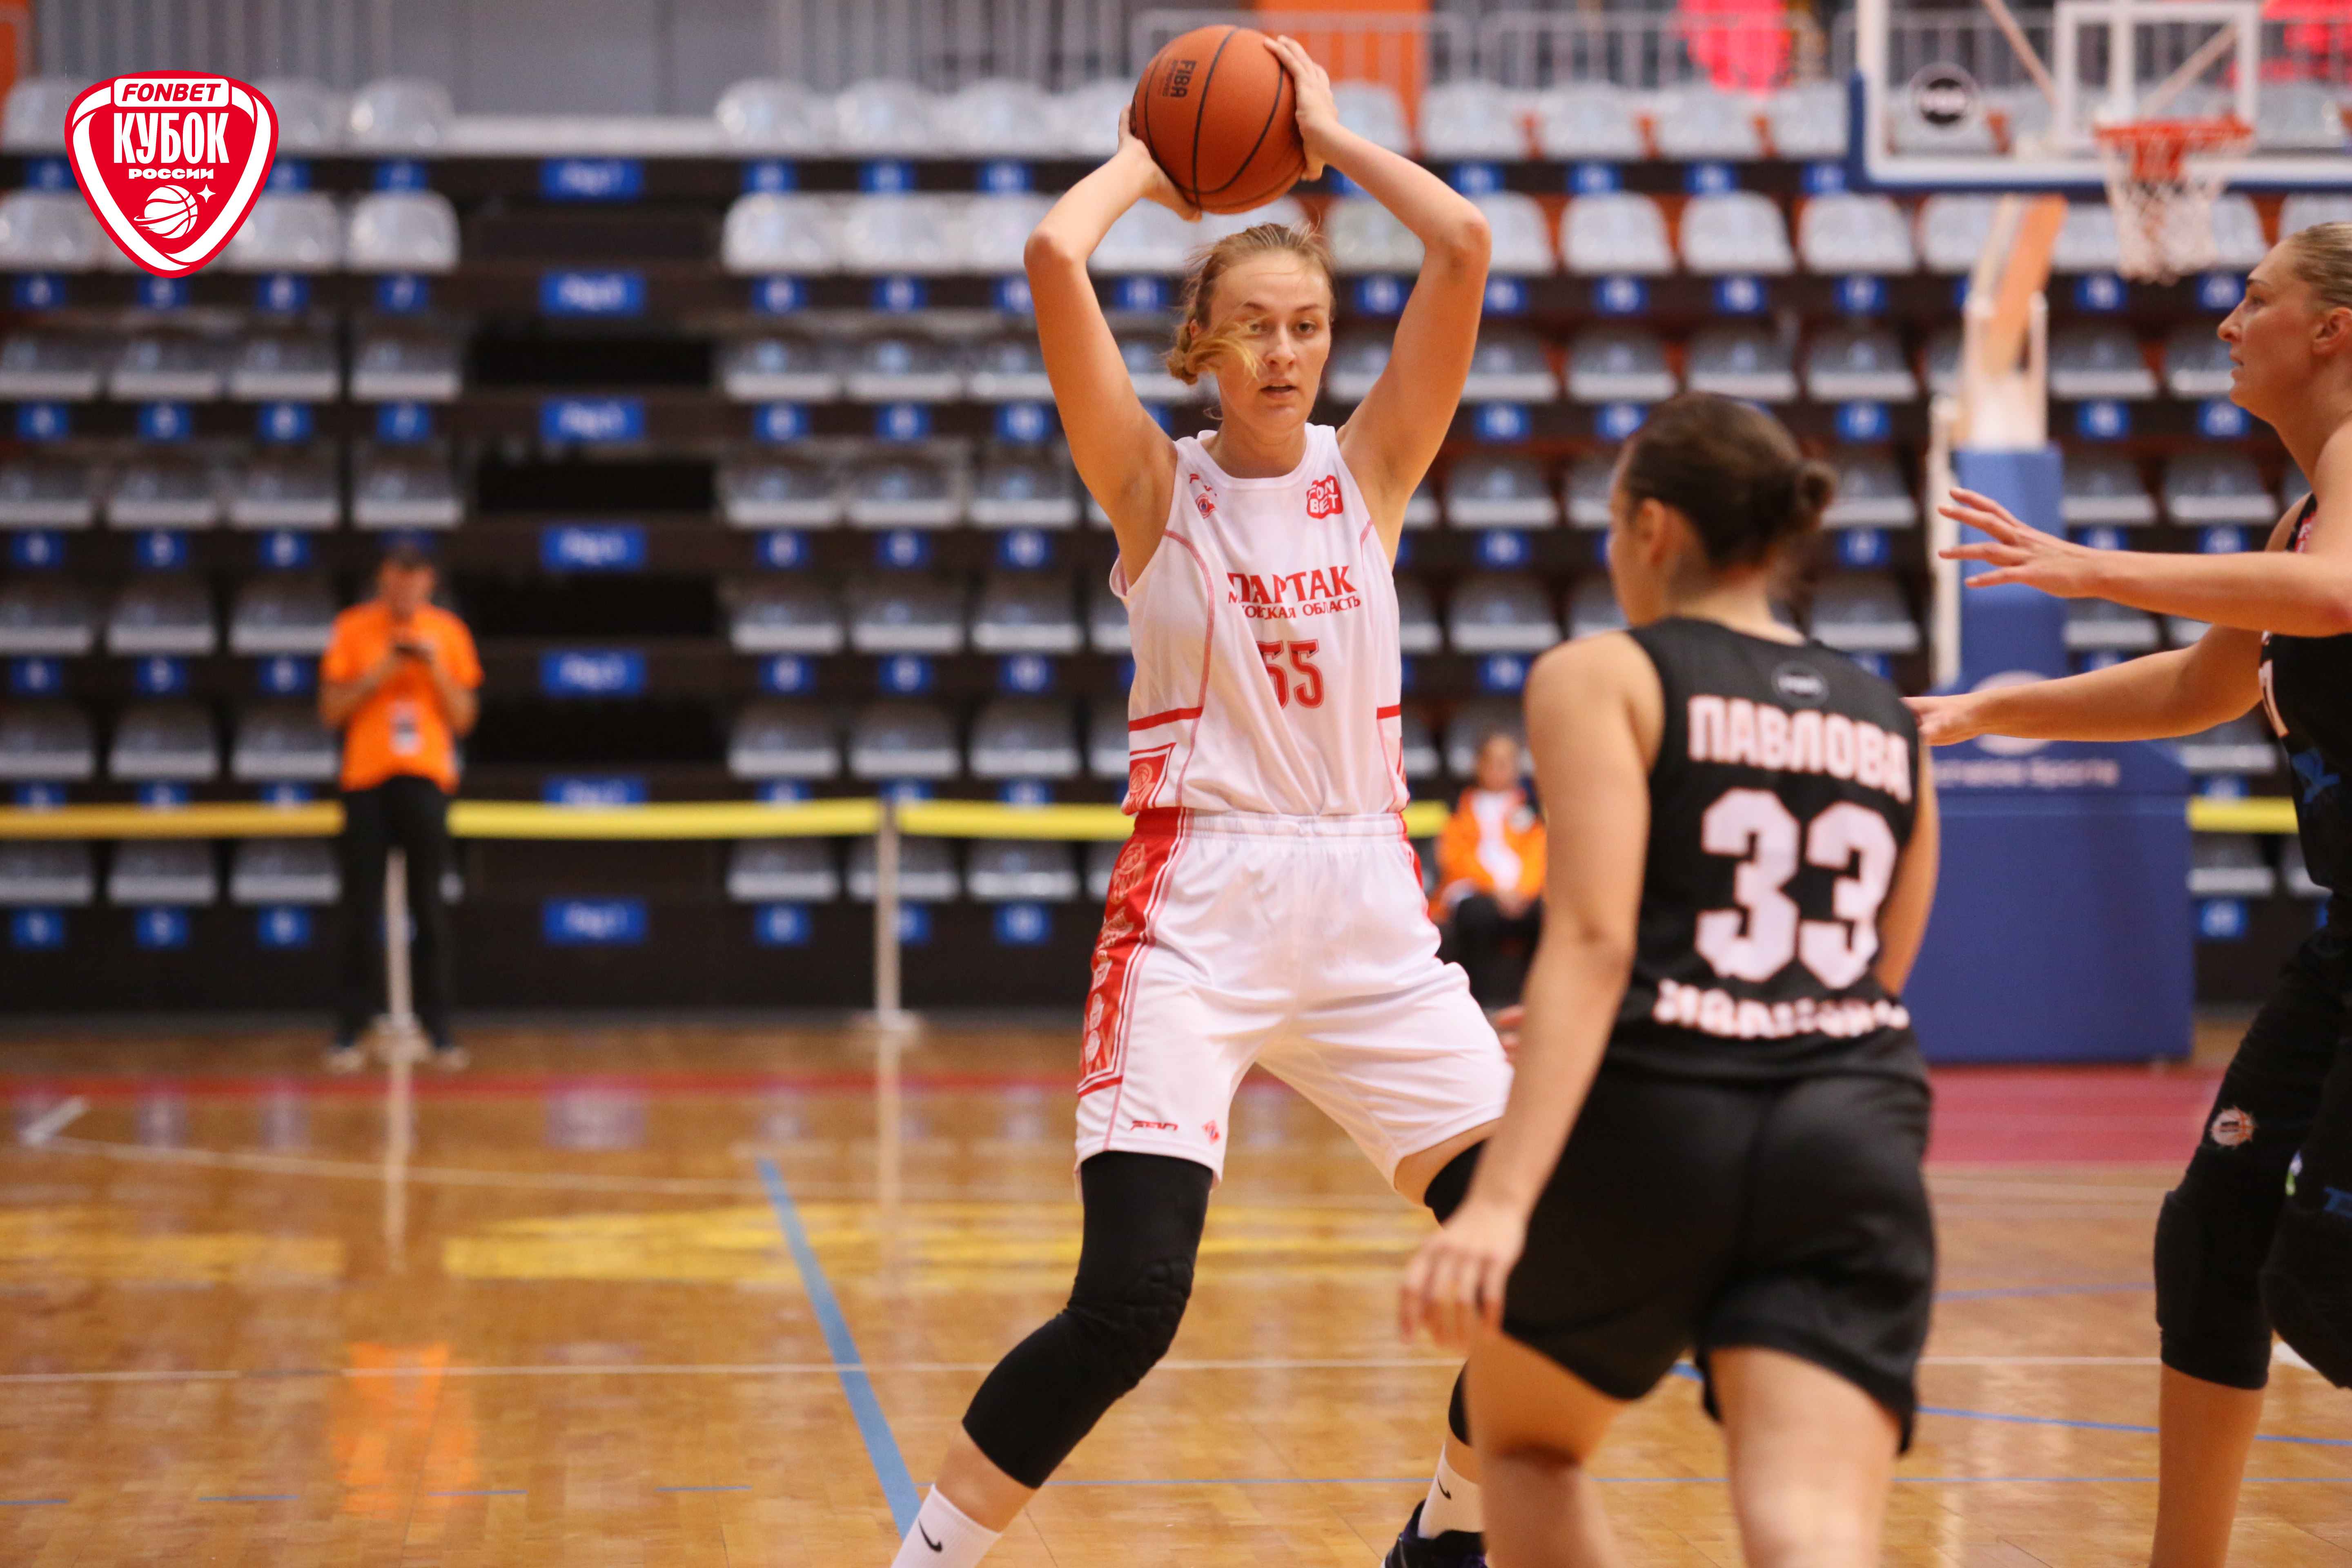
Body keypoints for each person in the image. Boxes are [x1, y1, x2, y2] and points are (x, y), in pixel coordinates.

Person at [884, 35, 1510, 1568]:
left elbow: (1462, 244)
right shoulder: (1155, 486)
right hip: (1199, 908)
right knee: (1130, 1304)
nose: (1285, 353)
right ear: (1203, 347)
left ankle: (1445, 1534)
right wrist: (1148, 168)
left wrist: (1325, 136)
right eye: (1253, 327)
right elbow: (1054, 254)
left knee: (1554, 1260)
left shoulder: (1372, 470)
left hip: (1367, 910)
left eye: (1306, 325)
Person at [1401, 392, 1943, 1568]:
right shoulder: (1885, 718)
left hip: (1661, 1115)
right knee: (1810, 1530)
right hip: (1847, 1125)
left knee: (1526, 1448)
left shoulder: (1602, 674)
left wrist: (1498, 1203)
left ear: (1650, 528)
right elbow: (1878, 970)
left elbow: (1593, 942)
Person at [1906, 221, 2352, 1568]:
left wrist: (2091, 568)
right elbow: (2205, 687)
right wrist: (1997, 710)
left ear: (2332, 330)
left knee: (2328, 1284)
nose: (2227, 322)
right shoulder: (2300, 517)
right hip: (2343, 945)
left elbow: (2336, 597)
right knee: (2214, 1236)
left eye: (2254, 299)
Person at [318, 539, 481, 1073]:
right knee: (359, 910)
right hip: (367, 781)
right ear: (382, 581)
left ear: (428, 582)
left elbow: (464, 718)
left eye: (414, 579)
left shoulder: (448, 632)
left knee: (429, 908)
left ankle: (439, 1029)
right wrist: (382, 671)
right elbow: (331, 711)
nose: (404, 588)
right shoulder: (353, 628)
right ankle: (350, 1029)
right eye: (395, 578)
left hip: (426, 781)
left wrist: (432, 669)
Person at [1435, 730, 1546, 1007]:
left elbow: (1538, 853)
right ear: (1479, 765)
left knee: (1547, 915)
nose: (1500, 769)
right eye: (1493, 762)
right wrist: (1494, 889)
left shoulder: (1530, 809)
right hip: (1478, 893)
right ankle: (1482, 1002)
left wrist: (1523, 891)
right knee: (1476, 915)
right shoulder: (1459, 808)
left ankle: (1533, 1000)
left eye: (1507, 762)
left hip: (1523, 896)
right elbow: (1455, 858)